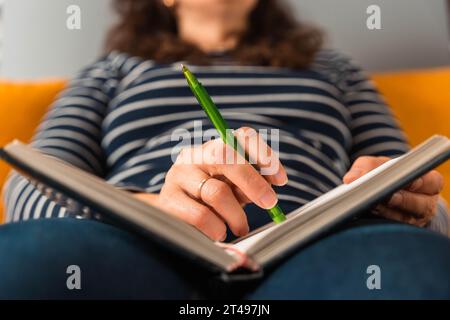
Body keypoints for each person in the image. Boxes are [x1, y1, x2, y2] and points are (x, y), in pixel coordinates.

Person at [1, 0, 449, 299]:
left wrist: (406, 199)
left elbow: (424, 199)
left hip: (322, 245)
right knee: (25, 260)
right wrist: (153, 210)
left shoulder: (334, 69)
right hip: (134, 243)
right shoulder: (113, 70)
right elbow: (28, 186)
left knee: (414, 269)